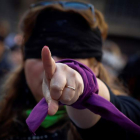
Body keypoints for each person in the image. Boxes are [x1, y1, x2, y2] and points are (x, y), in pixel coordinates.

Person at [0, 1, 140, 140]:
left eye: (69, 55)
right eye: (39, 53)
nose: (54, 64)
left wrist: (84, 90)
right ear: (24, 63)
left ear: (95, 67)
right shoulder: (3, 117)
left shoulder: (129, 111)